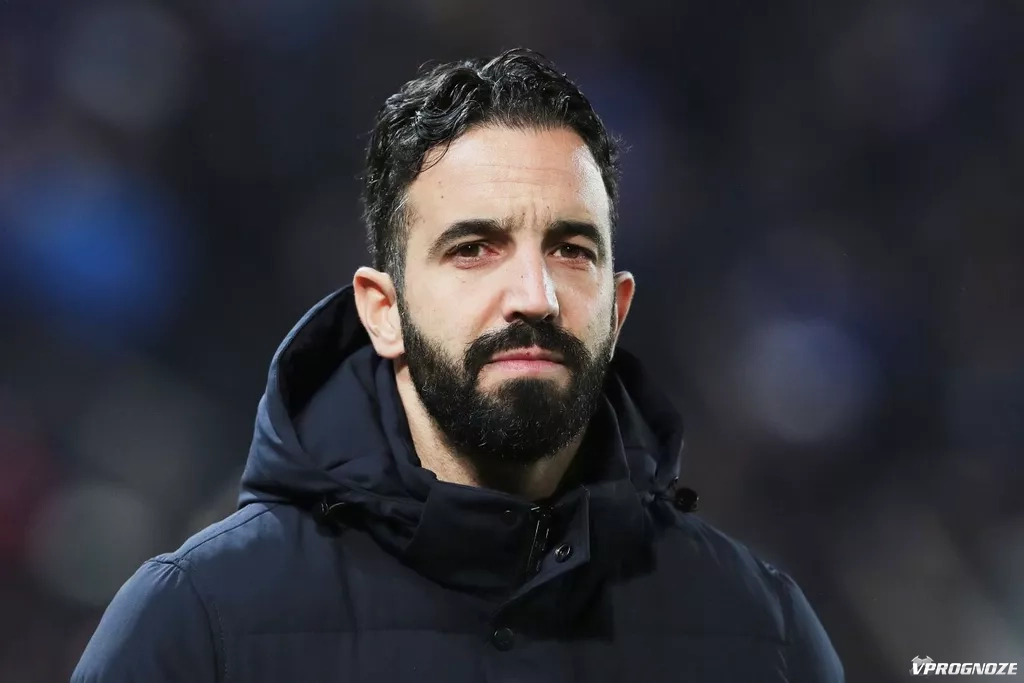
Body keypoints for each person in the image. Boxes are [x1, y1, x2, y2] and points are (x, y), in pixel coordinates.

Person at [72, 48, 844, 683]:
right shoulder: (199, 623)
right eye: (474, 248)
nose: (534, 295)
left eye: (572, 250)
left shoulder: (757, 628)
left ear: (617, 308)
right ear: (383, 310)